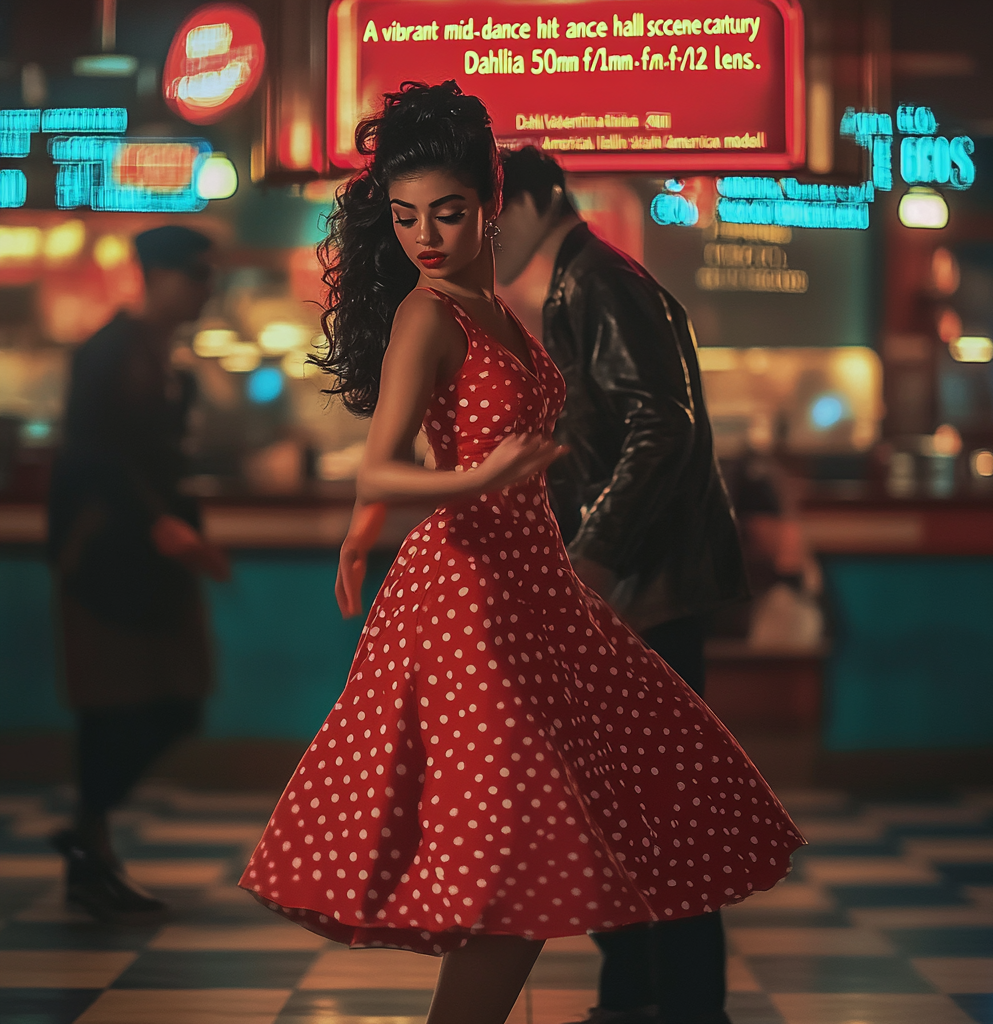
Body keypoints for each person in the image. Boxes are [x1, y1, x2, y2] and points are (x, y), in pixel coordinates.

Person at [240, 81, 803, 1024]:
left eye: (447, 213)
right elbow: (380, 471)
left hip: (536, 591)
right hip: (471, 599)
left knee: (605, 812)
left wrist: (358, 542)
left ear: (490, 204)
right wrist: (452, 489)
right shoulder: (430, 317)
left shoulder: (498, 307)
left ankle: (657, 1005)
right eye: (408, 216)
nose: (425, 235)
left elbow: (402, 473)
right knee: (522, 856)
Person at [494, 146, 747, 1024]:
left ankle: (671, 1008)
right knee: (627, 821)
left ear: (531, 199)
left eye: (486, 214)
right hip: (639, 592)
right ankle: (640, 1002)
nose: (478, 239)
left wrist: (592, 563)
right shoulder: (577, 281)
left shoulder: (597, 279)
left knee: (656, 825)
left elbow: (661, 427)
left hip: (647, 593)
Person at [48, 225, 228, 923]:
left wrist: (185, 532)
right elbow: (91, 460)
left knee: (174, 702)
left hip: (151, 566)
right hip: (104, 563)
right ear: (159, 277)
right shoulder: (109, 353)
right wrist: (164, 525)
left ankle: (89, 837)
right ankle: (90, 846)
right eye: (198, 276)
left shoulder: (163, 360)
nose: (208, 290)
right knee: (113, 708)